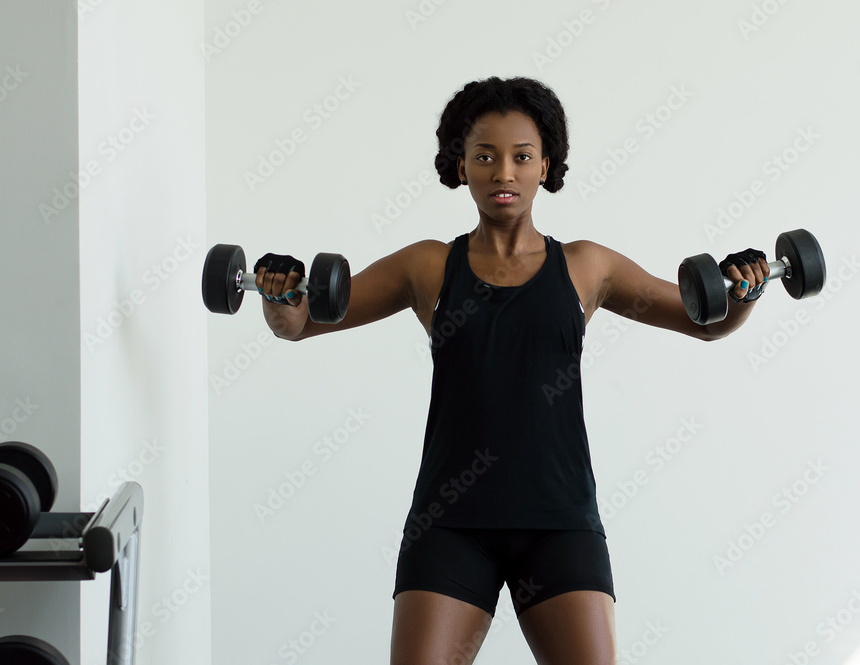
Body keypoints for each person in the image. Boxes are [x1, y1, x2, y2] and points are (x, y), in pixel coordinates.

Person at [252, 76, 769, 665]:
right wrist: (279, 293)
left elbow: (704, 321)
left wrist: (745, 291)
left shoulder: (586, 266)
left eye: (522, 157)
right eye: (485, 156)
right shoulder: (427, 266)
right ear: (460, 165)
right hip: (450, 525)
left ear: (546, 165)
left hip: (560, 523)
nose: (504, 172)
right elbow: (303, 324)